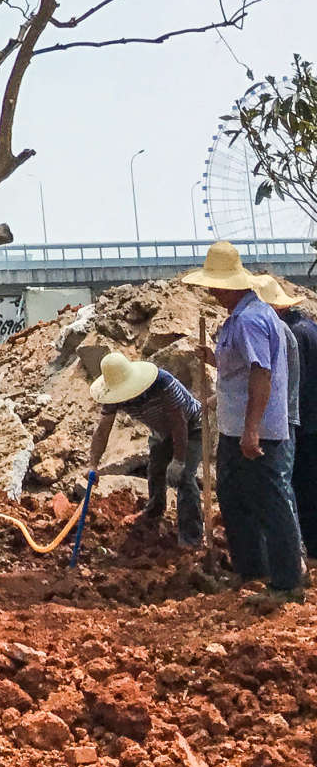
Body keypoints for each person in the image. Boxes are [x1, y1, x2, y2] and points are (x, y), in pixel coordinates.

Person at [189, 242, 304, 603]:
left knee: (271, 500)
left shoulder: (252, 319)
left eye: (214, 284)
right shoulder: (240, 318)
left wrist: (253, 429)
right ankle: (252, 572)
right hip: (234, 428)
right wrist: (213, 358)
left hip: (256, 432)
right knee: (236, 498)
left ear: (228, 284)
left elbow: (260, 373)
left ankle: (286, 585)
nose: (210, 291)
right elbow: (241, 367)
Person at [85, 351, 203, 547]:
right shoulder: (112, 396)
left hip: (191, 426)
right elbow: (103, 430)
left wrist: (179, 460)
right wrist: (93, 464)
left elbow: (179, 422)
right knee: (155, 470)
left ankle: (191, 539)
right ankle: (154, 512)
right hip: (161, 431)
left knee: (184, 478)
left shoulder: (162, 384)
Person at [260, 275, 317, 553]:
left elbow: (294, 383)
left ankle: (308, 548)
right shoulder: (309, 326)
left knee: (302, 487)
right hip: (312, 418)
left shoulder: (291, 333)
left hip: (306, 422)